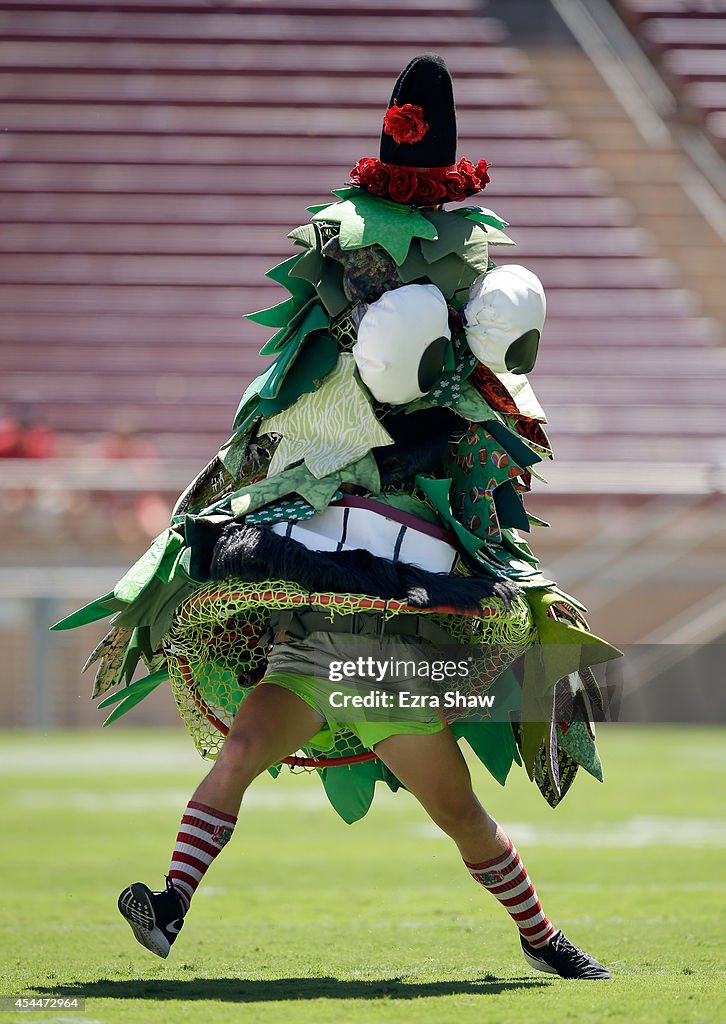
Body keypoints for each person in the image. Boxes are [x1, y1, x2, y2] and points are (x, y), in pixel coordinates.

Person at [55, 54, 619, 980]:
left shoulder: (445, 393)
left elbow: (478, 453)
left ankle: (541, 938)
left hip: (374, 656)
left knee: (461, 816)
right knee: (238, 752)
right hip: (309, 638)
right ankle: (169, 905)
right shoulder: (329, 384)